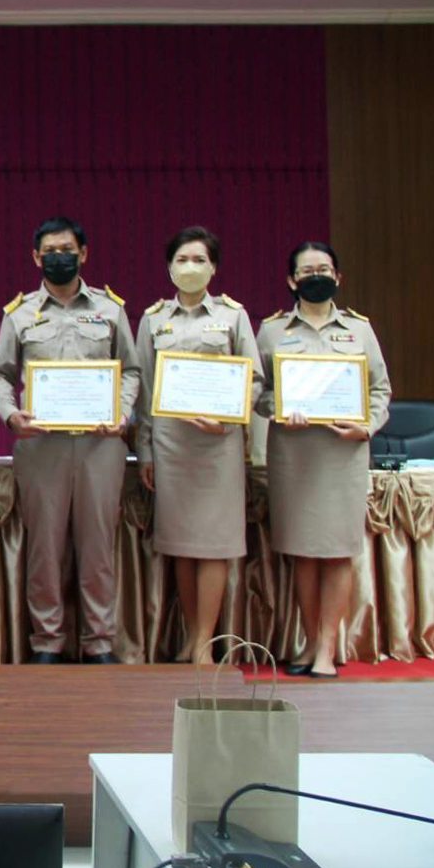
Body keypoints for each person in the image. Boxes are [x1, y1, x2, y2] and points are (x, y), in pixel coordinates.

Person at [0, 216, 140, 664]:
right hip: (42, 446)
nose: (59, 257)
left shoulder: (110, 310)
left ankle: (99, 641)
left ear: (83, 254)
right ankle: (47, 640)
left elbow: (131, 370)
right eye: (50, 251)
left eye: (67, 250)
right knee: (45, 548)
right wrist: (10, 414)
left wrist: (122, 413)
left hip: (100, 445)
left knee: (97, 547)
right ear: (36, 258)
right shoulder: (19, 314)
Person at [255, 241, 390, 678]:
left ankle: (327, 650)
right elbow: (255, 390)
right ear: (291, 280)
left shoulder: (359, 330)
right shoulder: (272, 330)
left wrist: (365, 426)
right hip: (294, 456)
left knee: (337, 551)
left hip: (343, 454)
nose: (317, 277)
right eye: (307, 271)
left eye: (324, 269)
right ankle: (312, 643)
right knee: (303, 552)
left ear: (338, 277)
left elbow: (380, 390)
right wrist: (279, 408)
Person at [134, 227, 261, 665]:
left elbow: (254, 381)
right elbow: (144, 391)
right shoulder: (153, 319)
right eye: (182, 259)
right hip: (171, 448)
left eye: (199, 260)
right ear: (169, 267)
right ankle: (192, 636)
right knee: (182, 545)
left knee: (213, 544)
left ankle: (206, 641)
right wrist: (145, 451)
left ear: (214, 268)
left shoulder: (233, 317)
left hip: (218, 447)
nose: (190, 267)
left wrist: (228, 417)